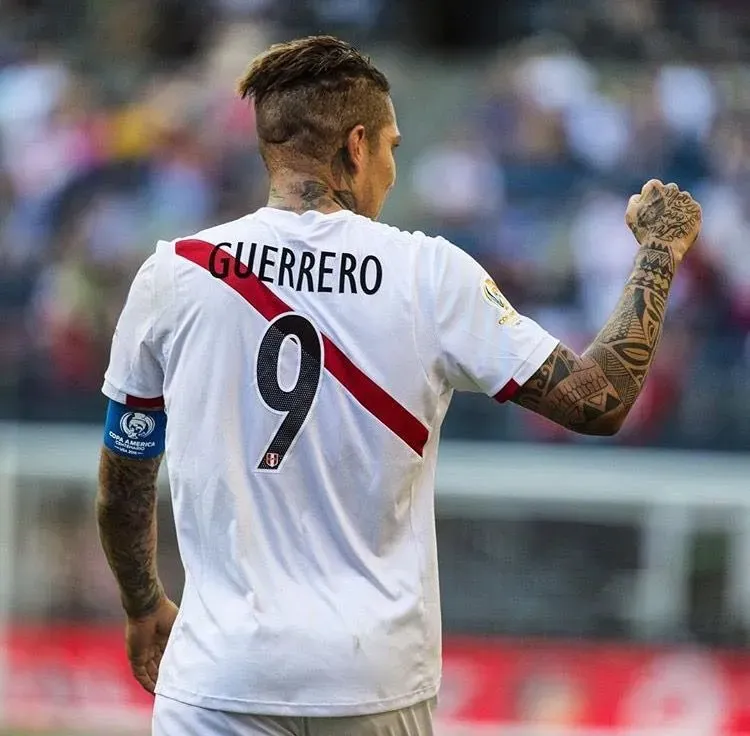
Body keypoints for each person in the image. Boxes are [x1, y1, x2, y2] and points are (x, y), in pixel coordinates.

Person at [95, 36, 702, 736]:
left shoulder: (175, 273)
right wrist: (659, 251)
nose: (389, 169)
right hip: (373, 680)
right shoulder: (428, 274)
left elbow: (124, 477)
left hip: (219, 676)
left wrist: (143, 605)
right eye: (390, 146)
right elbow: (602, 397)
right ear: (356, 146)